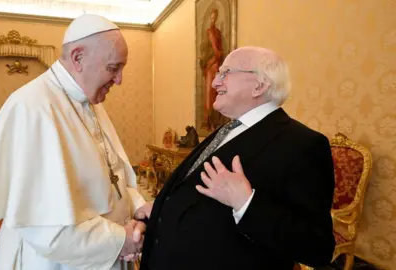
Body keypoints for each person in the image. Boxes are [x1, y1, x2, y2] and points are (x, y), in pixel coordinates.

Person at [0, 14, 149, 270]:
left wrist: (138, 208)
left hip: (109, 249)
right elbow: (44, 228)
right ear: (78, 57)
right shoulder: (32, 107)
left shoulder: (88, 101)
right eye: (113, 68)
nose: (119, 80)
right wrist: (120, 239)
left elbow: (112, 174)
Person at [139, 46, 336, 269]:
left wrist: (246, 202)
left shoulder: (303, 144)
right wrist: (159, 208)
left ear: (259, 85)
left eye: (226, 73)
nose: (214, 83)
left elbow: (317, 247)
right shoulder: (226, 130)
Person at [202, 8, 227, 130]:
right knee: (209, 94)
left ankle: (214, 122)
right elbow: (215, 50)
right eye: (211, 17)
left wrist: (218, 56)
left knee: (214, 93)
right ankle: (209, 121)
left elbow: (219, 49)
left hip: (215, 65)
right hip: (212, 64)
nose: (213, 19)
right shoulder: (210, 32)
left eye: (214, 17)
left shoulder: (216, 32)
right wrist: (216, 56)